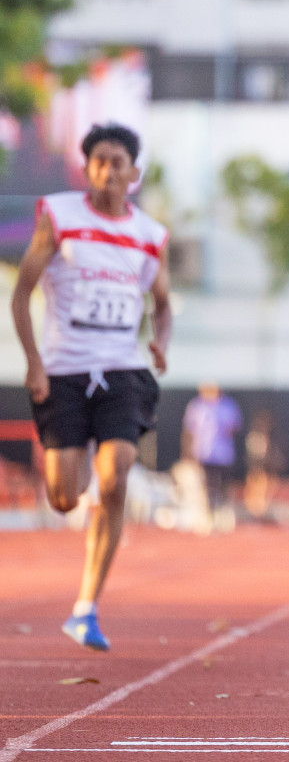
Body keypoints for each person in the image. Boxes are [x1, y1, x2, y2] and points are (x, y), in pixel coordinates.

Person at [9, 123, 171, 652]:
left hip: (122, 370)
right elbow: (22, 292)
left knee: (116, 472)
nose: (107, 169)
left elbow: (163, 301)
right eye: (97, 160)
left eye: (116, 161)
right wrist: (33, 363)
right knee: (63, 497)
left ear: (134, 173)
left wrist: (161, 342)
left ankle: (86, 608)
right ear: (88, 169)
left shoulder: (151, 235)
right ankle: (80, 498)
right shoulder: (58, 216)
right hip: (63, 372)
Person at [180, 383, 243, 531]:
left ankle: (223, 515)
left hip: (223, 454)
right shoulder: (196, 406)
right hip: (203, 453)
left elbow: (235, 426)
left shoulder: (227, 405)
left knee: (222, 486)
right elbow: (189, 431)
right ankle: (208, 516)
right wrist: (188, 453)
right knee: (206, 486)